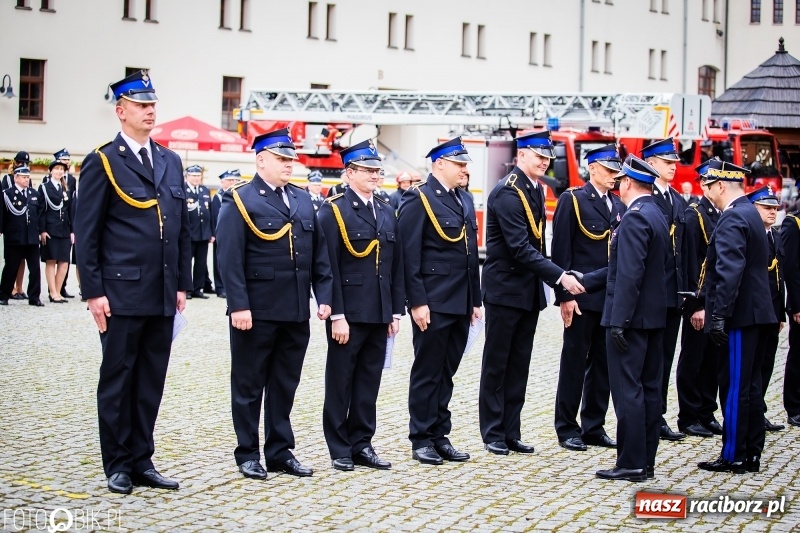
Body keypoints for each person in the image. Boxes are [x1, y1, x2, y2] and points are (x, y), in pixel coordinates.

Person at [74, 70, 192, 494]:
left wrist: (181, 284)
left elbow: (177, 229)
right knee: (119, 378)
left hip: (161, 292)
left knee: (149, 381)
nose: (150, 111)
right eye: (141, 105)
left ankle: (143, 459)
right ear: (121, 111)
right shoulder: (103, 160)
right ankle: (118, 463)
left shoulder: (169, 160)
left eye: (153, 104)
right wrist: (93, 292)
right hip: (121, 291)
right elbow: (87, 233)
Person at [216, 127, 333, 480]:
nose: (288, 164)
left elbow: (319, 256)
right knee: (249, 385)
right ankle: (247, 452)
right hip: (257, 310)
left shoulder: (301, 200)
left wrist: (324, 296)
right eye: (281, 159)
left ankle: (280, 451)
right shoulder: (240, 200)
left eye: (290, 159)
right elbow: (229, 258)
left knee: (285, 384)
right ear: (261, 160)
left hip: (295, 309)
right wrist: (238, 305)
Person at [479, 130, 585, 456]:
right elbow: (520, 249)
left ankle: (512, 430)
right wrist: (560, 278)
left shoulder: (536, 189)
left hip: (526, 291)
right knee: (498, 364)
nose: (544, 162)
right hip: (505, 290)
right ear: (521, 155)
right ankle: (493, 432)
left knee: (520, 364)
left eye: (547, 158)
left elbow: (538, 243)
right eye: (538, 156)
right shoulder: (508, 192)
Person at [317, 140, 405, 472]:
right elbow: (329, 267)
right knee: (340, 381)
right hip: (348, 313)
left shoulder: (385, 208)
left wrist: (395, 311)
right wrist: (336, 314)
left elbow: (394, 264)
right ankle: (339, 447)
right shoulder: (333, 209)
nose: (374, 175)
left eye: (376, 170)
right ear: (349, 172)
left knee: (369, 381)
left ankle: (362, 443)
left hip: (379, 310)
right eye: (367, 170)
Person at [397, 137, 481, 466]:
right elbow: (409, 256)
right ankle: (421, 438)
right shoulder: (419, 199)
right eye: (459, 164)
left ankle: (439, 434)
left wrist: (475, 300)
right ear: (440, 164)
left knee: (447, 372)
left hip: (460, 302)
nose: (464, 169)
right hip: (432, 302)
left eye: (465, 165)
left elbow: (470, 255)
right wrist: (416, 302)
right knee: (427, 371)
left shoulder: (463, 199)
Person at [697, 160, 776, 474]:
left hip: (740, 317)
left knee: (734, 387)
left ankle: (735, 455)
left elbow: (729, 272)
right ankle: (752, 451)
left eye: (708, 187)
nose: (707, 193)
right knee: (751, 386)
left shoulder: (731, 218)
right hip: (756, 313)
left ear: (720, 186)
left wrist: (719, 315)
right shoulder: (750, 213)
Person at [596, 155, 669, 482]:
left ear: (627, 183)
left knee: (629, 393)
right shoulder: (655, 213)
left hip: (631, 321)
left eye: (619, 181)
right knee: (650, 390)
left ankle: (630, 463)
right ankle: (646, 461)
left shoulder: (635, 218)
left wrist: (619, 322)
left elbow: (629, 275)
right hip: (653, 319)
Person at [552, 144, 624, 452]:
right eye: (608, 170)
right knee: (574, 363)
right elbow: (561, 251)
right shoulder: (574, 200)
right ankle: (567, 427)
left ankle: (594, 425)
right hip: (581, 298)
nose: (613, 176)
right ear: (592, 168)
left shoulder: (619, 205)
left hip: (609, 298)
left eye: (616, 171)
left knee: (603, 365)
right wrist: (564, 296)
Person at [642, 137, 688, 442]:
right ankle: (646, 417)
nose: (673, 168)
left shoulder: (679, 201)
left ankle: (658, 416)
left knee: (666, 358)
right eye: (667, 162)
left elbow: (685, 251)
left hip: (673, 293)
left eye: (674, 163)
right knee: (649, 360)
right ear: (652, 163)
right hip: (651, 293)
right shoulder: (647, 200)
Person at [674, 160, 723, 438]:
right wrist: (696, 305)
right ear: (704, 184)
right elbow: (692, 262)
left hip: (716, 300)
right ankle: (689, 415)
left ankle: (706, 411)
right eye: (714, 182)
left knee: (711, 360)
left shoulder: (720, 213)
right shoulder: (695, 214)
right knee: (693, 359)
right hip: (699, 301)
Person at [746, 186, 785, 432]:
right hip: (756, 312)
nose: (773, 212)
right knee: (753, 367)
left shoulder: (776, 235)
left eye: (774, 208)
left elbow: (779, 279)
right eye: (767, 208)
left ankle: (759, 410)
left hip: (772, 312)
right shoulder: (752, 235)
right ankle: (751, 413)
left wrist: (781, 313)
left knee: (767, 364)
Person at [0, 165, 44, 307]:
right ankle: (3, 295)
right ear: (16, 178)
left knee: (35, 269)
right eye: (24, 177)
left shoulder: (34, 194)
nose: (27, 180)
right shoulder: (7, 194)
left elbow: (39, 215)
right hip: (14, 237)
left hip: (31, 238)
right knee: (10, 268)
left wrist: (41, 231)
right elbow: (2, 215)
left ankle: (34, 297)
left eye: (28, 177)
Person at [38, 160, 73, 303]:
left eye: (61, 169)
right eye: (56, 169)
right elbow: (40, 211)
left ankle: (58, 291)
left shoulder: (65, 188)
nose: (59, 171)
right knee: (51, 260)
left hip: (64, 229)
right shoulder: (44, 188)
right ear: (50, 171)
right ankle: (53, 293)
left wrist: (72, 231)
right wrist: (42, 230)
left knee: (64, 262)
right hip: (50, 228)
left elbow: (70, 211)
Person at [2, 151, 32, 300]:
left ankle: (19, 287)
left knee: (22, 261)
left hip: (25, 229)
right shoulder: (7, 180)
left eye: (26, 164)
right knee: (12, 261)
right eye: (21, 163)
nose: (24, 165)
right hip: (13, 227)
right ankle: (10, 289)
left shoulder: (27, 180)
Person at [209, 169, 241, 299]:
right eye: (230, 180)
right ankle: (220, 287)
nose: (233, 182)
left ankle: (231, 287)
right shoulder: (218, 197)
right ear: (222, 182)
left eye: (235, 180)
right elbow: (213, 217)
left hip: (236, 233)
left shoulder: (240, 194)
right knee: (219, 262)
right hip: (221, 234)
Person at [782, 200, 800, 428]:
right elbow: (791, 267)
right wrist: (796, 305)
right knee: (798, 355)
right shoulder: (793, 222)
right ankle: (794, 406)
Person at [184, 165, 213, 299]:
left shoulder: (204, 190)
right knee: (186, 263)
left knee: (201, 263)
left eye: (198, 176)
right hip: (188, 234)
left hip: (203, 233)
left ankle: (197, 288)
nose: (196, 178)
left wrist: (211, 233)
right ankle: (187, 289)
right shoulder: (183, 190)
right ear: (187, 176)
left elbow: (210, 213)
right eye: (193, 176)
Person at [53, 148, 77, 299]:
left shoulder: (72, 180)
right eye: (63, 160)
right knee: (53, 259)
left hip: (67, 223)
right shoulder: (48, 180)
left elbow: (72, 205)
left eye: (67, 160)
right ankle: (53, 288)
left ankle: (62, 287)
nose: (66, 162)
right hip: (54, 223)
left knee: (64, 258)